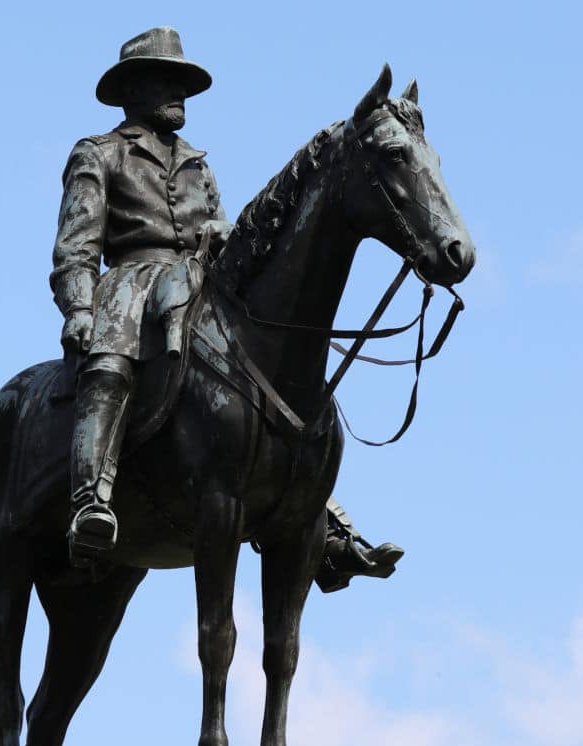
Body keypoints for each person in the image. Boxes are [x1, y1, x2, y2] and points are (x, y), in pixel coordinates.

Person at [50, 26, 402, 590]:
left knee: (274, 374)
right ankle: (91, 497)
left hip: (200, 280)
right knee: (109, 363)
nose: (180, 94)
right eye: (168, 80)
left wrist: (226, 234)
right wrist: (79, 308)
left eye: (184, 82)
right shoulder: (99, 153)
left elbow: (222, 230)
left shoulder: (198, 164)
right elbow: (76, 247)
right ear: (133, 91)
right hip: (132, 284)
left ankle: (326, 524)